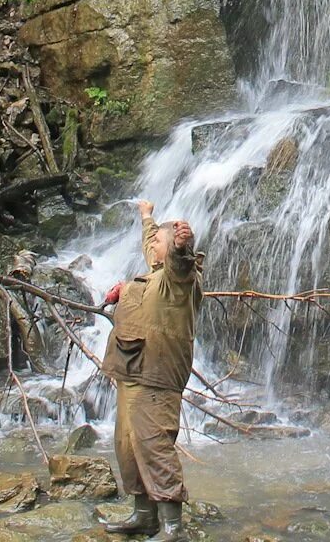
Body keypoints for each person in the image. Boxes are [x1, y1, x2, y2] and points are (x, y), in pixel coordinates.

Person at [100, 200, 203, 538]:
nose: (153, 245)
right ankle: (144, 516)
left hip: (156, 377)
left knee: (154, 444)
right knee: (128, 446)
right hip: (131, 370)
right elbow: (152, 244)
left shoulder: (179, 280)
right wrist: (147, 217)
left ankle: (172, 526)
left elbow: (181, 263)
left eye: (160, 241)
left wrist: (182, 247)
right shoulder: (155, 267)